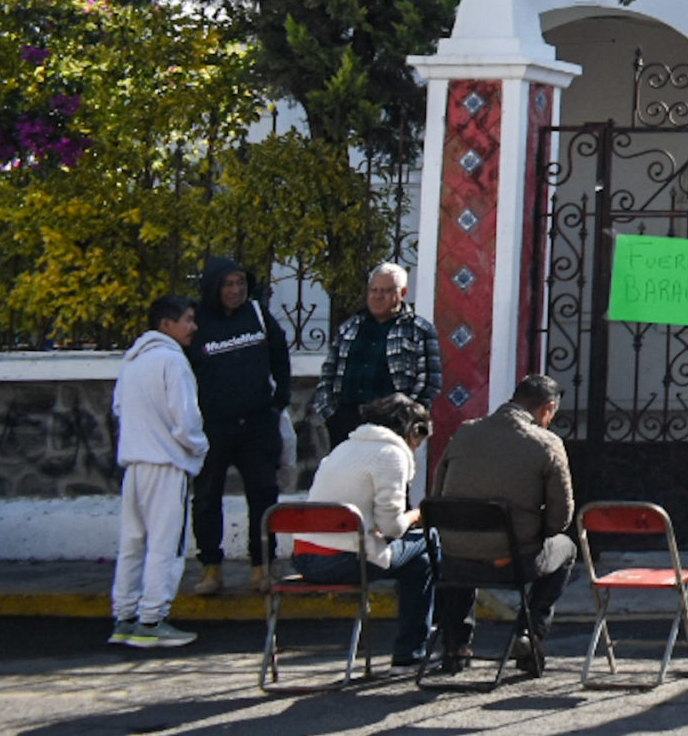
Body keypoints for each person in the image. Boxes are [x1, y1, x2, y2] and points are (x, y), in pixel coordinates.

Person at [430, 374, 579, 676]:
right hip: (514, 560)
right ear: (547, 409)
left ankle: (455, 645)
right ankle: (530, 633)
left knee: (465, 545)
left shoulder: (465, 431)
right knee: (566, 549)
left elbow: (438, 493)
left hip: (453, 559)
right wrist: (535, 532)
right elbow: (560, 517)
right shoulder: (547, 443)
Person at [293, 394, 437, 665]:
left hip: (304, 558)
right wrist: (417, 515)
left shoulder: (343, 448)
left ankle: (419, 643)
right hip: (343, 562)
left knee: (421, 561)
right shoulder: (392, 454)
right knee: (431, 540)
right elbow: (392, 527)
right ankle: (423, 645)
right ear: (413, 431)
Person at [186, 256, 293, 596]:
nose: (235, 291)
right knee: (206, 496)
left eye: (240, 284)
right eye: (227, 285)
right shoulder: (198, 322)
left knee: (263, 494)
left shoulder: (258, 315)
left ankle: (262, 566)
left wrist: (278, 404)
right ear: (213, 288)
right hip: (213, 426)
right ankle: (211, 568)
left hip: (257, 423)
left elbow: (280, 358)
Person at [110, 294, 207, 650]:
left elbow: (119, 408)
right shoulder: (173, 362)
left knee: (133, 543)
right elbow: (186, 420)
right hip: (167, 465)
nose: (193, 327)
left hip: (134, 463)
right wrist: (199, 448)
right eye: (188, 320)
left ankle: (124, 616)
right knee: (166, 545)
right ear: (167, 325)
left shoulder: (133, 361)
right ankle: (152, 619)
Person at [312, 263, 442, 450]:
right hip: (346, 421)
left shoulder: (419, 330)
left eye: (386, 291)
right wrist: (330, 415)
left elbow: (430, 382)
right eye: (374, 290)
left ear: (403, 293)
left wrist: (408, 418)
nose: (377, 296)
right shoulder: (350, 328)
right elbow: (328, 374)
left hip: (392, 424)